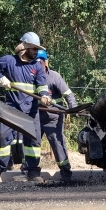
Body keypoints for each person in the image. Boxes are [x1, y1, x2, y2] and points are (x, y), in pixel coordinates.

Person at [0, 32, 52, 182]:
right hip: (11, 108)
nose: (36, 52)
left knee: (33, 142)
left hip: (31, 111)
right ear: (25, 47)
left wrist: (45, 96)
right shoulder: (9, 61)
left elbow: (41, 85)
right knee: (3, 135)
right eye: (33, 49)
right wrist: (0, 77)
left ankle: (32, 171)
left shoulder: (37, 67)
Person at [36, 50, 78, 181]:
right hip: (35, 116)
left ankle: (65, 171)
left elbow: (68, 94)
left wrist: (73, 108)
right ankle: (29, 170)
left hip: (53, 116)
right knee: (32, 142)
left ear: (45, 63)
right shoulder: (30, 76)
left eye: (40, 63)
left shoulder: (54, 77)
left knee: (57, 142)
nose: (38, 66)